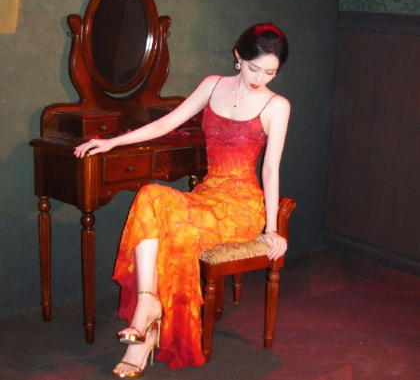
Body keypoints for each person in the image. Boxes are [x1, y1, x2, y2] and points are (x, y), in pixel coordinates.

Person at [74, 22, 290, 378]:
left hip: (241, 208)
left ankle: (141, 338)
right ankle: (148, 302)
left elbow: (270, 170)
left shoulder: (277, 105)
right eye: (255, 68)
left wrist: (271, 227)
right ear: (238, 55)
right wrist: (111, 142)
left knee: (178, 230)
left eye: (270, 73)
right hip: (209, 195)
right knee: (150, 195)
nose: (260, 79)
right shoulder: (212, 85)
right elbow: (165, 125)